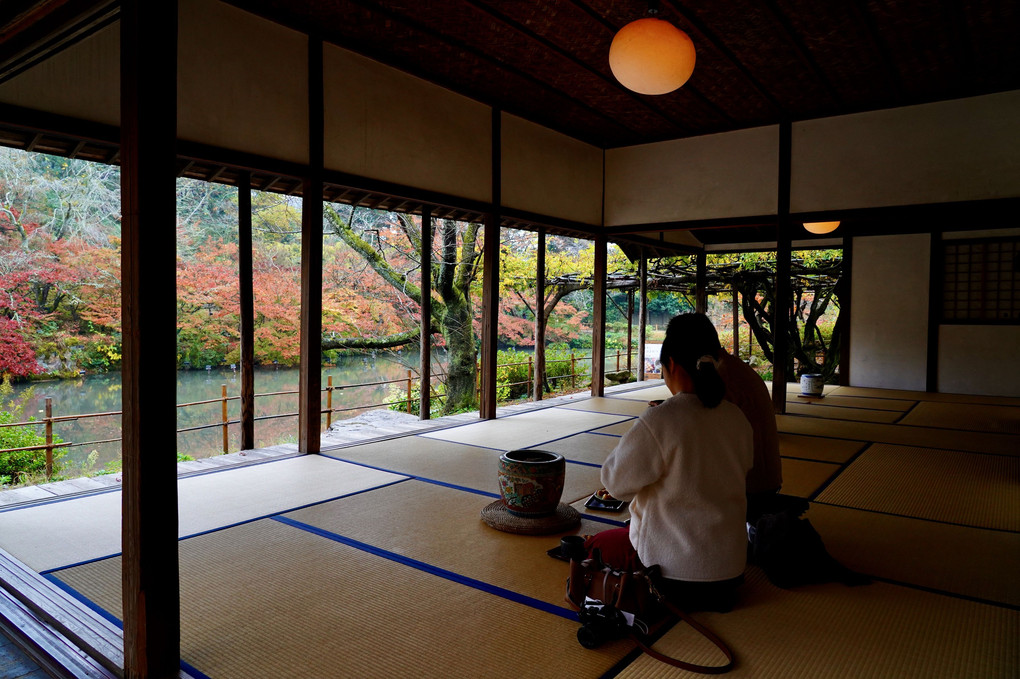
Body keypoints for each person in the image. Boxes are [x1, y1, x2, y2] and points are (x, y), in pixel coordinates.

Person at [586, 313, 753, 613]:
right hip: (729, 575)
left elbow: (614, 483)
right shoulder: (736, 418)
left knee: (598, 544)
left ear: (671, 364)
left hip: (668, 577)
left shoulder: (661, 419)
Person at [647, 315, 783, 519]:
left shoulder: (721, 377)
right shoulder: (727, 366)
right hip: (764, 481)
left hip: (750, 489)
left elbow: (697, 428)